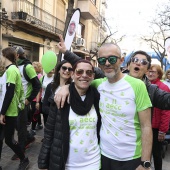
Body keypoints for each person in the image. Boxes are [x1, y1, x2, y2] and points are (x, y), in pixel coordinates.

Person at [55, 36, 153, 170]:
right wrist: (65, 87)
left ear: (122, 60)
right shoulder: (97, 85)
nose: (107, 63)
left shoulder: (137, 86)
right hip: (103, 156)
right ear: (99, 64)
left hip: (131, 158)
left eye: (112, 59)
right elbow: (81, 77)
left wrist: (145, 162)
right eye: (102, 60)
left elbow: (146, 126)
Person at [38, 59, 101, 170]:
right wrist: (43, 162)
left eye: (89, 72)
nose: (84, 75)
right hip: (66, 163)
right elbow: (49, 133)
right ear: (72, 74)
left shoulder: (97, 97)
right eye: (79, 72)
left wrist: (67, 52)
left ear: (93, 76)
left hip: (93, 162)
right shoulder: (60, 98)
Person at [0, 47, 29, 170]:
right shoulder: (8, 70)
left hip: (9, 112)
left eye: (1, 56)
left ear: (5, 56)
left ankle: (24, 159)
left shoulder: (12, 70)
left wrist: (2, 113)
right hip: (5, 110)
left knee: (9, 141)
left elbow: (10, 92)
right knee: (1, 139)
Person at [11, 46, 41, 160]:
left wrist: (28, 100)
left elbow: (37, 85)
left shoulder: (28, 67)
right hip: (14, 102)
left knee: (21, 127)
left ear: (17, 55)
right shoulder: (14, 66)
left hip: (23, 103)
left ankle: (21, 150)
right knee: (16, 125)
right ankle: (29, 137)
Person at [147, 64, 170, 170]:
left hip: (156, 128)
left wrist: (163, 130)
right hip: (146, 125)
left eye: (153, 72)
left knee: (157, 154)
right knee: (145, 154)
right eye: (149, 71)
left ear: (159, 74)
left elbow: (166, 111)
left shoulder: (163, 87)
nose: (151, 73)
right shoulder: (144, 85)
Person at [42, 60, 72, 127]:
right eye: (64, 68)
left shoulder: (73, 88)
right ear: (59, 70)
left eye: (70, 69)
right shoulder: (50, 86)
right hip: (51, 123)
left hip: (66, 125)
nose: (67, 70)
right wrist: (56, 114)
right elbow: (44, 107)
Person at [29, 61, 43, 136]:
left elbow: (39, 89)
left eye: (34, 67)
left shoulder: (39, 76)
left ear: (37, 68)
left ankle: (33, 128)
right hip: (33, 98)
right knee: (36, 112)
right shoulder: (33, 76)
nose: (32, 68)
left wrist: (37, 101)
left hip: (37, 98)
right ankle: (40, 124)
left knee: (34, 113)